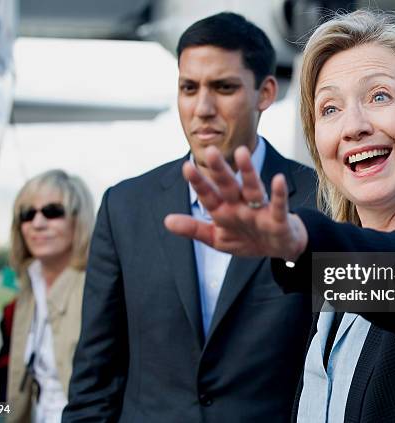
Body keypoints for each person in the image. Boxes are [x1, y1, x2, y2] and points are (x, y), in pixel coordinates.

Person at [165, 10, 395, 422]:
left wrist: (302, 242)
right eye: (329, 109)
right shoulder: (337, 280)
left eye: (379, 96)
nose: (353, 126)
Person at [62, 12, 316, 423]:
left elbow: (394, 318)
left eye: (224, 87)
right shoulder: (125, 207)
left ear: (265, 92)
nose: (202, 108)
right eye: (188, 88)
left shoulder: (320, 200)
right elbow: (96, 374)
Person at [6, 169, 95, 423]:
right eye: (27, 214)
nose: (37, 223)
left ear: (79, 220)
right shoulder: (28, 286)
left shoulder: (97, 288)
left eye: (52, 211)